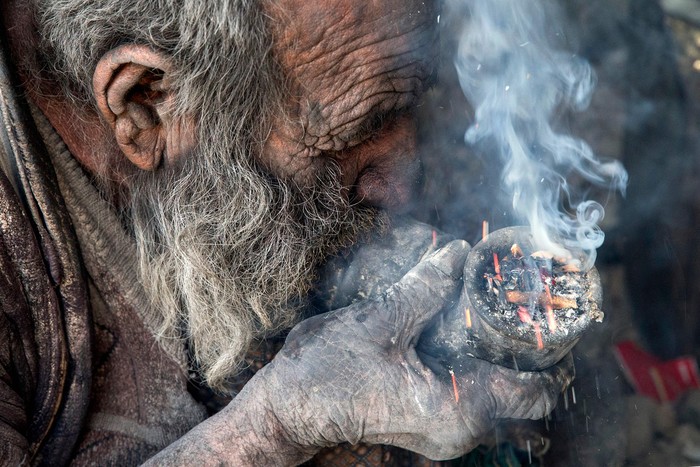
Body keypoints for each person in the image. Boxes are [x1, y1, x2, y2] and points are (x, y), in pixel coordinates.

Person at [0, 0, 572, 464]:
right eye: (359, 133)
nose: (403, 192)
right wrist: (274, 426)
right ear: (147, 104)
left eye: (411, 106)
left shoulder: (350, 63)